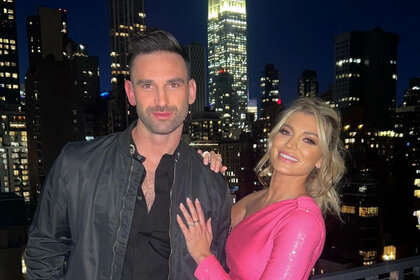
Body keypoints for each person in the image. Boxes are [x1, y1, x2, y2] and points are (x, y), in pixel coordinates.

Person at [24, 29, 231, 280]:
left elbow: (218, 266)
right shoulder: (76, 164)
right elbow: (44, 250)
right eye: (148, 85)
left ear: (191, 91)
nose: (161, 100)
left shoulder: (212, 184)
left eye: (173, 84)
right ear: (131, 93)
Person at [177, 97, 346, 280]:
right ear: (273, 138)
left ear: (321, 159)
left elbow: (201, 247)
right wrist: (208, 175)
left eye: (308, 140)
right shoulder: (257, 198)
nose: (291, 145)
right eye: (286, 132)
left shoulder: (302, 222)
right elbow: (205, 225)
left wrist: (203, 257)